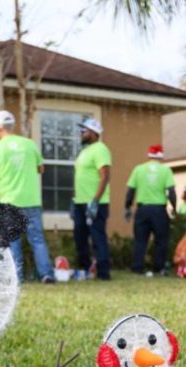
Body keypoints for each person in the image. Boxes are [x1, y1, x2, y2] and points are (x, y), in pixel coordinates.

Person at [0, 110, 55, 284]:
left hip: (10, 202)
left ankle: (16, 278)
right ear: (13, 125)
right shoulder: (29, 144)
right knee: (37, 239)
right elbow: (41, 169)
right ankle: (46, 275)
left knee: (13, 241)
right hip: (31, 200)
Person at [126, 144, 176, 275]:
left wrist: (128, 206)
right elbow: (171, 192)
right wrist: (174, 207)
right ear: (161, 156)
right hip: (159, 210)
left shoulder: (138, 169)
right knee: (161, 239)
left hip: (142, 209)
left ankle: (137, 267)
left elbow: (130, 191)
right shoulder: (165, 170)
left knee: (140, 239)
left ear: (149, 155)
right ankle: (158, 267)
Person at [72, 117, 112, 281]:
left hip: (96, 202)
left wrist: (95, 201)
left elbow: (105, 176)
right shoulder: (85, 151)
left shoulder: (101, 149)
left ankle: (103, 273)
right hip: (80, 202)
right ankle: (86, 269)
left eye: (84, 130)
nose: (81, 133)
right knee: (79, 237)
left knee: (97, 237)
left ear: (94, 133)